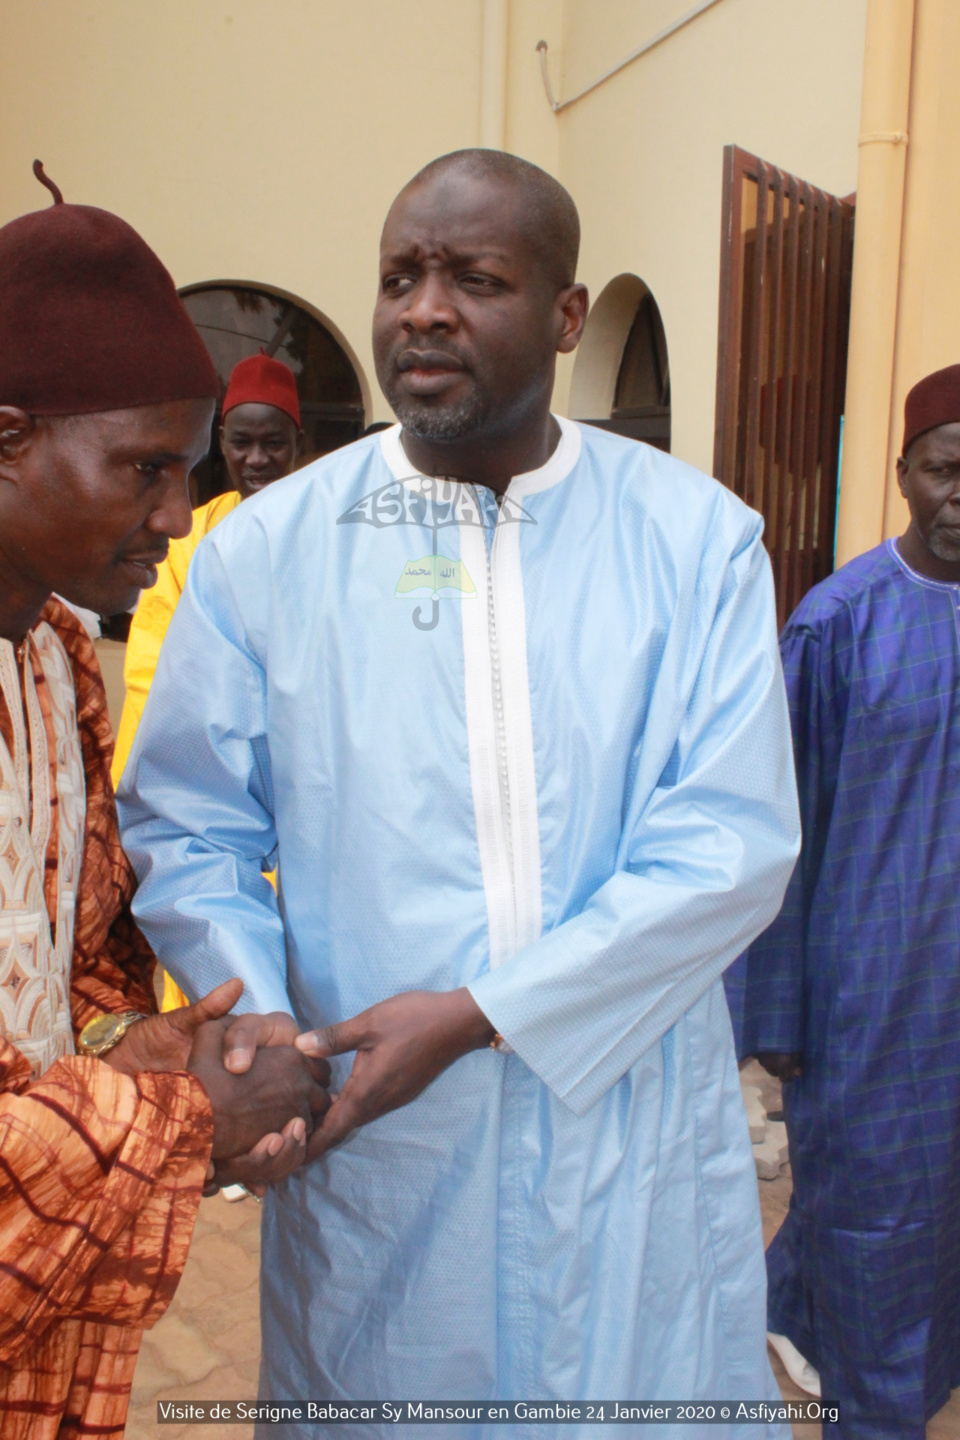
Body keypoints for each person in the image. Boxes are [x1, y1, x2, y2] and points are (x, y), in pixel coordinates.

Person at [120, 149, 800, 1437]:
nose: (423, 311)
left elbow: (731, 841)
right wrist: (265, 1029)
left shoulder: (694, 540)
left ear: (566, 314)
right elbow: (191, 822)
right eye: (399, 278)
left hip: (625, 1121)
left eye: (474, 279)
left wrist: (488, 1012)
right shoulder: (268, 553)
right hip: (381, 1138)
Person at [0, 166, 327, 1438]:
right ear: (9, 437)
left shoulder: (56, 657)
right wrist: (179, 1116)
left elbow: (75, 962)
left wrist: (128, 1043)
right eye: (145, 468)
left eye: (185, 470)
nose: (177, 515)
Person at [725, 365, 960, 1437]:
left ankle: (790, 1313)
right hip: (874, 1000)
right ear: (904, 473)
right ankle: (874, 1411)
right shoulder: (838, 625)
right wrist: (775, 1007)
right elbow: (777, 828)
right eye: (945, 469)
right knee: (879, 1216)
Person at [113, 351, 302, 1018]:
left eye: (273, 443)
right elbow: (152, 684)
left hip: (302, 793)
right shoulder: (190, 544)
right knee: (213, 987)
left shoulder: (322, 532)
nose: (257, 459)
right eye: (242, 442)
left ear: (297, 443)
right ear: (221, 443)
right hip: (211, 794)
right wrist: (137, 804)